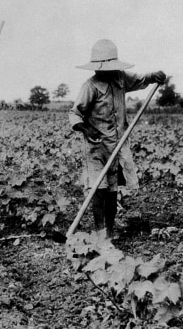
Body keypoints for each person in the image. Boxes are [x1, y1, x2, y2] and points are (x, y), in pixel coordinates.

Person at [69, 39, 167, 239]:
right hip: (95, 147)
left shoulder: (120, 78)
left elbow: (141, 80)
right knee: (99, 190)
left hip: (117, 145)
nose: (110, 71)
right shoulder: (90, 86)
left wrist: (154, 76)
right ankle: (100, 234)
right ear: (97, 68)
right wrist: (87, 129)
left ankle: (110, 232)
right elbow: (75, 114)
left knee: (112, 191)